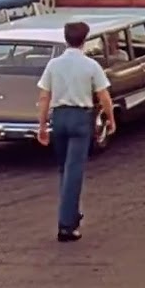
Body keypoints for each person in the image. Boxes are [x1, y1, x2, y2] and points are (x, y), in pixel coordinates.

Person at [36, 21, 117, 243]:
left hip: (60, 117)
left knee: (64, 169)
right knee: (74, 171)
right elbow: (104, 96)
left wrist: (42, 125)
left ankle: (70, 213)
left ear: (66, 39)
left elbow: (44, 97)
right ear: (85, 40)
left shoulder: (53, 65)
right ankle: (67, 224)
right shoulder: (91, 66)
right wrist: (110, 119)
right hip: (81, 118)